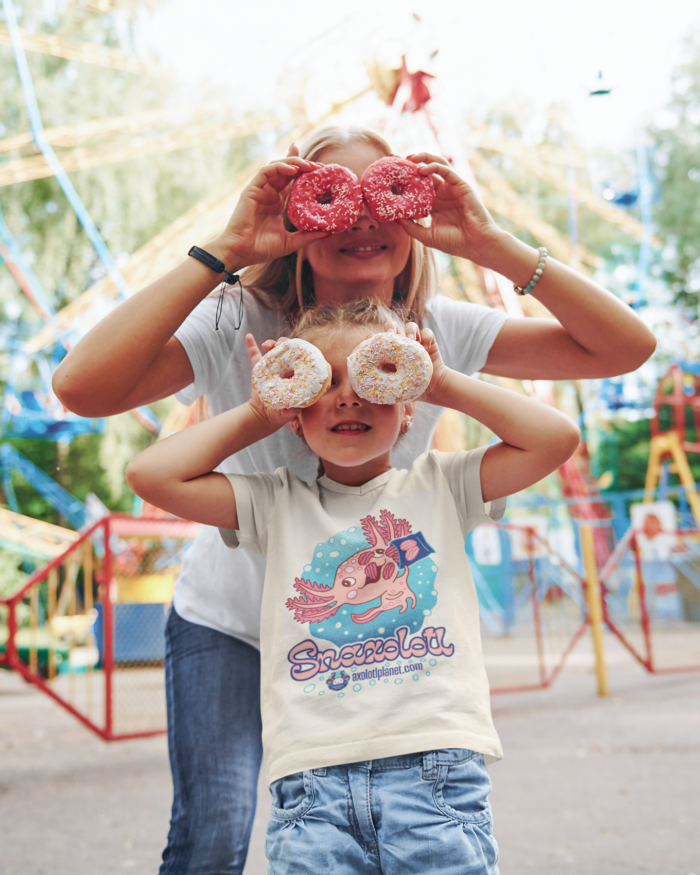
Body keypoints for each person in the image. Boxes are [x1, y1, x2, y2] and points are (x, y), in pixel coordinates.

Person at [52, 126, 656, 874]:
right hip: (234, 620)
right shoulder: (235, 321)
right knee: (212, 833)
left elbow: (625, 349)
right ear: (298, 222)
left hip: (363, 640)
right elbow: (81, 388)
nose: (363, 218)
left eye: (385, 196)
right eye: (333, 198)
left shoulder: (437, 335)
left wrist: (490, 245)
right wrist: (228, 249)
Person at [124, 300, 582, 874]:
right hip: (312, 785)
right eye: (325, 380)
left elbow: (556, 436)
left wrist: (441, 381)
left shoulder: (444, 484)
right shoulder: (273, 503)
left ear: (409, 405)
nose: (348, 395)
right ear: (295, 411)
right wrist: (258, 410)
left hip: (434, 773)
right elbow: (149, 475)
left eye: (375, 376)